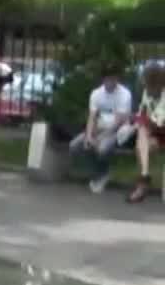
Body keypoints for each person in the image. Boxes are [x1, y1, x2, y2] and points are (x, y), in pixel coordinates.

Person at [69, 67, 134, 194]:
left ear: (117, 79)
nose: (111, 82)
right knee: (75, 145)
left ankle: (101, 175)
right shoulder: (96, 94)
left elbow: (118, 122)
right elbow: (92, 117)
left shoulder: (125, 94)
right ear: (103, 79)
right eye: (108, 79)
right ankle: (99, 173)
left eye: (114, 79)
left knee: (102, 148)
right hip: (99, 128)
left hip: (118, 131)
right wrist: (89, 136)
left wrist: (99, 139)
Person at [128, 65, 165, 203]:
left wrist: (143, 120)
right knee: (142, 138)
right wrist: (137, 119)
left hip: (161, 130)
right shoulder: (147, 92)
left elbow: (160, 123)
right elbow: (142, 112)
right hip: (155, 134)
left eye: (146, 81)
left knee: (142, 134)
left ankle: (143, 183)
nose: (143, 84)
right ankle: (144, 178)